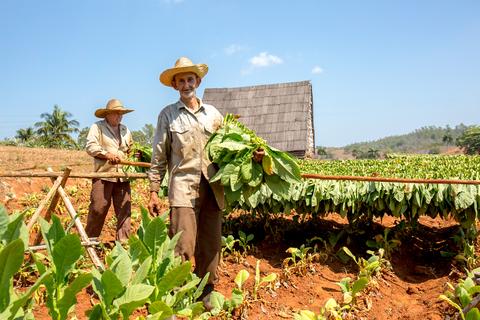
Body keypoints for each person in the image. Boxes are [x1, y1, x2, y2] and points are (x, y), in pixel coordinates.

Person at [148, 57, 225, 307]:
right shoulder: (168, 115)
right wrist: (153, 190)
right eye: (180, 80)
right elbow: (159, 154)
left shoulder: (213, 114)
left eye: (190, 79)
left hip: (213, 187)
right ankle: (177, 296)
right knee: (182, 243)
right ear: (174, 86)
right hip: (182, 187)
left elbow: (229, 150)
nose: (186, 84)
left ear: (198, 81)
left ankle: (205, 292)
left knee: (211, 243)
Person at [85, 98, 134, 241]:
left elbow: (130, 148)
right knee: (98, 208)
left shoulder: (125, 130)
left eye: (121, 114)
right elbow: (91, 146)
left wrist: (135, 154)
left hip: (123, 176)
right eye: (116, 113)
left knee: (124, 211)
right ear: (107, 114)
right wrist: (107, 154)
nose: (119, 116)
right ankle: (90, 242)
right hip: (104, 175)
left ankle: (123, 245)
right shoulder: (97, 127)